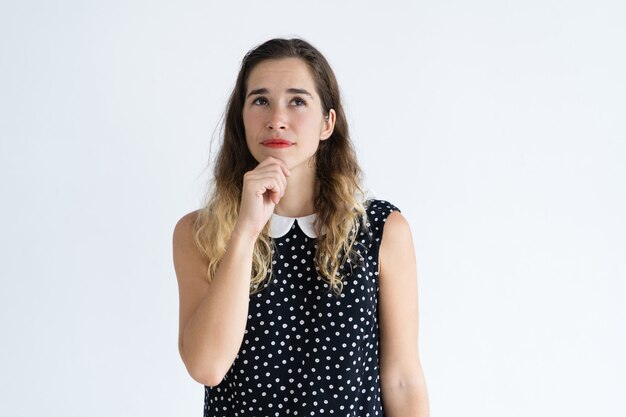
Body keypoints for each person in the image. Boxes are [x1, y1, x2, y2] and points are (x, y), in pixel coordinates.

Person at [172, 37, 430, 416]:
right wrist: (245, 231)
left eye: (297, 101)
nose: (277, 118)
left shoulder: (382, 230)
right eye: (260, 100)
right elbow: (206, 367)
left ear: (327, 122)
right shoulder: (200, 233)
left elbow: (402, 380)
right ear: (241, 119)